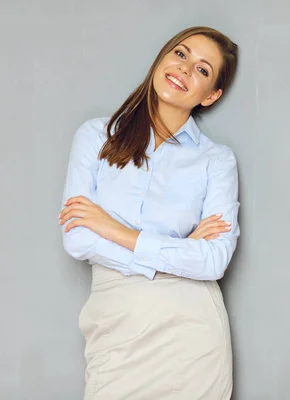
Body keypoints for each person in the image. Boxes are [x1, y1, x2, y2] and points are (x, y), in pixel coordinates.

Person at [58, 26, 239, 399]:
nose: (185, 69)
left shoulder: (215, 161)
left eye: (203, 70)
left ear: (212, 95)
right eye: (181, 54)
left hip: (192, 333)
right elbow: (76, 238)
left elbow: (213, 261)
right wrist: (177, 250)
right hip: (115, 327)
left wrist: (115, 230)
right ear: (163, 57)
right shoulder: (97, 136)